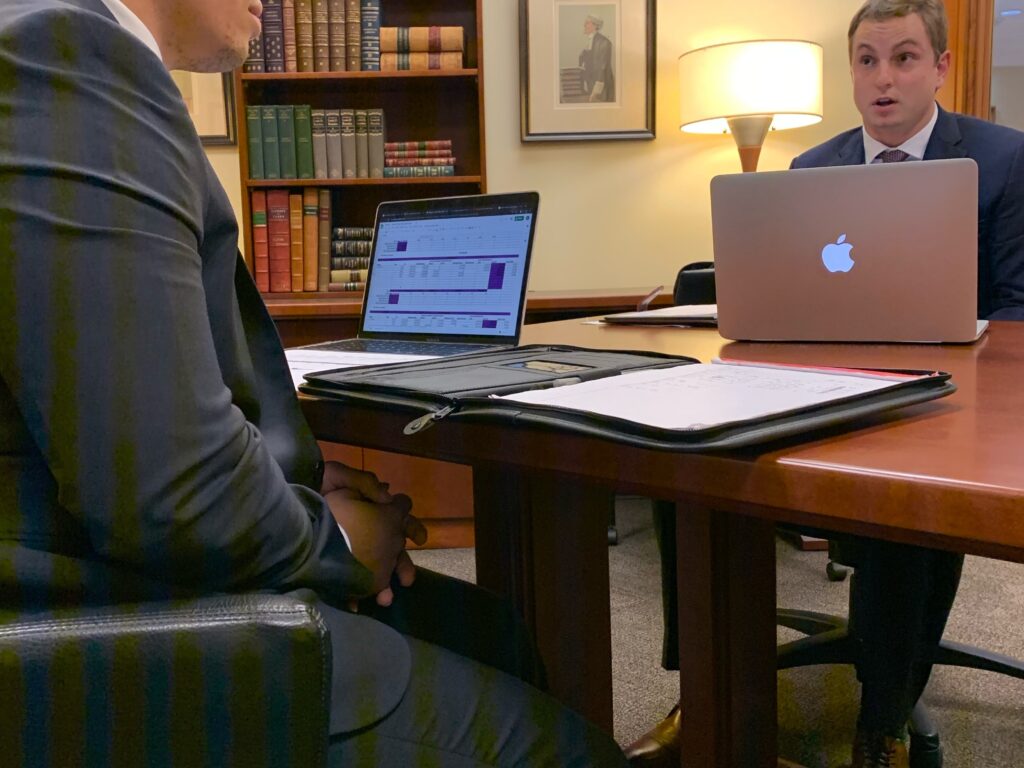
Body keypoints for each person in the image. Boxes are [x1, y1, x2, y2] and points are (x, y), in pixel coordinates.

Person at [0, 0, 631, 765]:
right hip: (91, 624)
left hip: (101, 558)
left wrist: (290, 480)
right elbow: (171, 497)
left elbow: (102, 405)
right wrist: (335, 540)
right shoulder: (64, 52)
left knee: (486, 627)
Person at [626, 1, 1024, 767]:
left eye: (904, 58)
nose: (884, 78)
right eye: (867, 60)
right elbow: (787, 297)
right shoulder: (812, 169)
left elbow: (1016, 308)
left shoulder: (1004, 159)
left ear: (941, 67)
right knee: (691, 455)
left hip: (950, 398)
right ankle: (706, 686)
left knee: (901, 483)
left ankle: (884, 721)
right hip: (828, 381)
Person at [579, 14, 615, 103]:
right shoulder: (589, 42)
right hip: (590, 86)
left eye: (587, 23)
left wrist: (596, 92)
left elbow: (602, 68)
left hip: (602, 89)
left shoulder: (604, 42)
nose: (584, 25)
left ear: (595, 26)